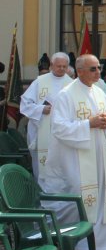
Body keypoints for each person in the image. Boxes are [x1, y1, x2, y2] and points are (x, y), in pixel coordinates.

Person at [44, 54, 106, 250]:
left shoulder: (100, 92)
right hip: (76, 157)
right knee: (82, 196)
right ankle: (77, 243)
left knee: (105, 194)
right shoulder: (66, 95)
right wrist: (89, 124)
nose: (98, 72)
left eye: (99, 68)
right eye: (93, 69)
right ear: (80, 71)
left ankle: (103, 245)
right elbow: (59, 128)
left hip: (100, 154)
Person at [20, 52, 72, 182]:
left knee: (62, 166)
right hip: (41, 130)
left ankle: (63, 199)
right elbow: (25, 104)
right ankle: (43, 196)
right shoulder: (40, 82)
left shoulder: (72, 84)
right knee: (43, 165)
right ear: (51, 66)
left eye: (64, 66)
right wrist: (41, 109)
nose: (61, 69)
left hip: (63, 133)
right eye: (58, 66)